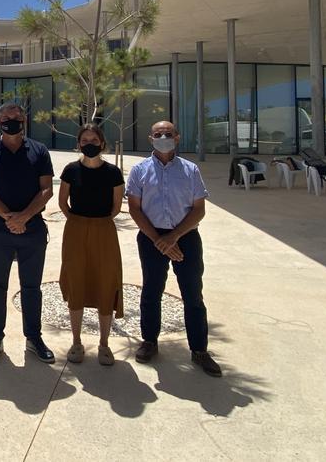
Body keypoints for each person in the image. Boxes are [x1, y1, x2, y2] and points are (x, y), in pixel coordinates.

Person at [125, 120, 222, 377]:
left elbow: (199, 209)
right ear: (151, 138)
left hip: (186, 237)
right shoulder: (139, 170)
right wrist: (159, 240)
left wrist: (174, 237)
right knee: (151, 290)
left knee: (193, 294)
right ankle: (149, 341)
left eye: (168, 133)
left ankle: (199, 349)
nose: (163, 137)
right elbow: (135, 208)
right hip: (151, 237)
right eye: (158, 134)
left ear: (177, 137)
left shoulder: (190, 170)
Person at [0, 103, 56, 364]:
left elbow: (47, 190)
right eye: (7, 117)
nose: (12, 121)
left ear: (24, 120)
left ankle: (34, 338)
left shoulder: (39, 150)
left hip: (32, 230)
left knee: (31, 287)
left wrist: (24, 217)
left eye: (17, 117)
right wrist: (9, 217)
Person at [57, 124, 125, 365]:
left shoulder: (113, 173)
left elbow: (116, 207)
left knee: (106, 280)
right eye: (85, 139)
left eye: (94, 140)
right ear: (79, 143)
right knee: (76, 280)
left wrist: (98, 223)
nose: (89, 144)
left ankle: (104, 344)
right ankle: (76, 342)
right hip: (75, 228)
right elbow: (63, 202)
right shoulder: (70, 170)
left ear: (102, 143)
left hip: (104, 229)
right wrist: (77, 221)